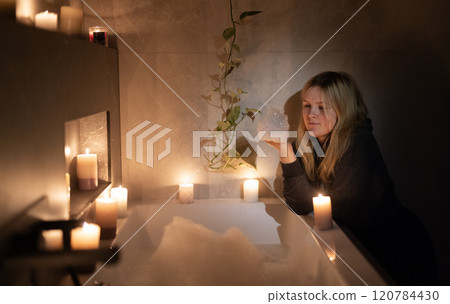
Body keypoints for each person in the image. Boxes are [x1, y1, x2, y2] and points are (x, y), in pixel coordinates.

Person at [265, 71, 438, 285]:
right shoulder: (312, 143)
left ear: (342, 108)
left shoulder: (357, 142)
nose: (311, 114)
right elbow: (299, 204)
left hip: (397, 248)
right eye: (307, 105)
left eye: (321, 106)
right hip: (364, 245)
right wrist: (286, 152)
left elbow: (338, 213)